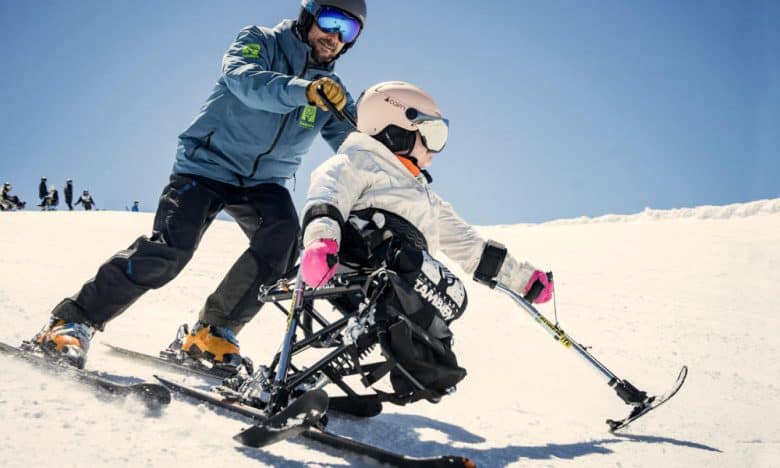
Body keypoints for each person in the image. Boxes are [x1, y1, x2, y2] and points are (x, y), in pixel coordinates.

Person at [31, 0, 367, 370]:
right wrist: (300, 90)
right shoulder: (260, 41)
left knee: (285, 238)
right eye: (330, 21)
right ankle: (72, 319)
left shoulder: (331, 90)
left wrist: (398, 159)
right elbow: (242, 79)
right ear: (308, 16)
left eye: (348, 30)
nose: (335, 36)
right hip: (207, 164)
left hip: (263, 182)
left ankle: (211, 333)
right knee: (172, 249)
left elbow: (355, 145)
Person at [298, 81, 554, 399]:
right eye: (430, 136)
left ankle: (424, 370)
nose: (434, 152)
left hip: (397, 279)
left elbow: (470, 246)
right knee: (411, 264)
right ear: (395, 127)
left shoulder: (423, 196)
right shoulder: (356, 161)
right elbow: (327, 197)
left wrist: (524, 279)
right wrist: (321, 242)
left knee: (454, 296)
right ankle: (423, 369)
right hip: (357, 261)